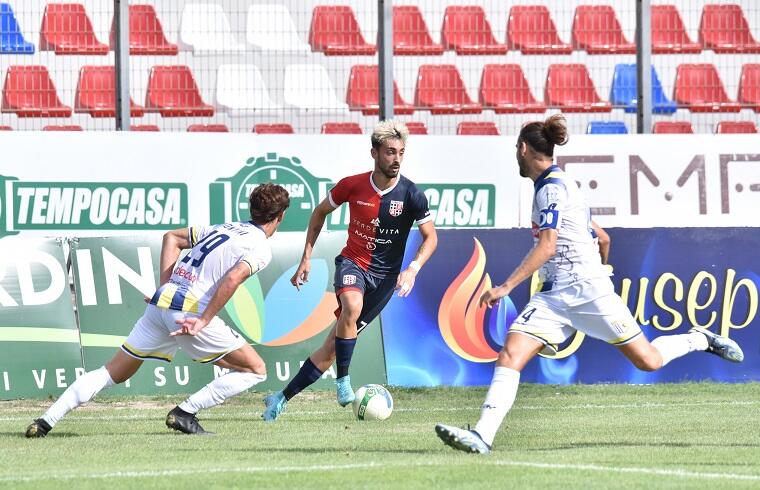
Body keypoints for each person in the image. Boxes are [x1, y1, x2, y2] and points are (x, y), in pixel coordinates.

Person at [435, 114, 744, 454]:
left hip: (586, 291)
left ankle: (699, 338)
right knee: (511, 353)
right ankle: (482, 435)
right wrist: (598, 265)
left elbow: (549, 244)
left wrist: (507, 286)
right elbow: (604, 238)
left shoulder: (551, 188)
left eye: (515, 149)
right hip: (554, 297)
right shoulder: (562, 185)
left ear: (522, 149)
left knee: (649, 361)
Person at [25, 184, 290, 437]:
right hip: (188, 314)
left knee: (111, 372)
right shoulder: (259, 246)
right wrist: (203, 320)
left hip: (161, 306)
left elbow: (171, 237)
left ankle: (45, 421)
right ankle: (185, 412)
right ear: (280, 216)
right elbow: (233, 279)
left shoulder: (225, 227)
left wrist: (166, 288)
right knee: (255, 369)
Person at [262, 119, 438, 421]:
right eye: (389, 152)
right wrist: (306, 257)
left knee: (331, 347)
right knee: (351, 305)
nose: (396, 159)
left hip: (384, 282)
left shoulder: (412, 195)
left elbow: (431, 237)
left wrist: (413, 269)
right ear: (374, 153)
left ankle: (280, 398)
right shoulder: (352, 185)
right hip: (352, 264)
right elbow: (319, 213)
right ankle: (343, 379)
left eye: (400, 153)